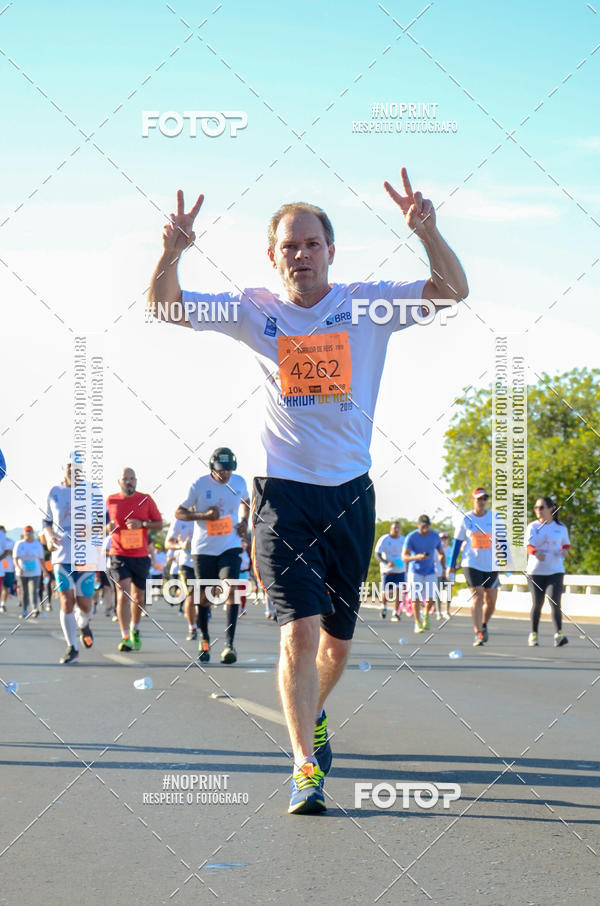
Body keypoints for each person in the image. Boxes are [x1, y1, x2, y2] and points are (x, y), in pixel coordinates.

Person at [147, 168, 468, 814]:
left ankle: (311, 713)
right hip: (283, 497)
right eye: (288, 245)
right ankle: (302, 768)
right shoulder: (254, 310)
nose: (300, 254)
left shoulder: (367, 304)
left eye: (311, 243)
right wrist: (170, 253)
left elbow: (454, 289)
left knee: (337, 643)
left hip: (350, 496)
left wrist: (428, 232)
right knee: (300, 631)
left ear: (330, 251)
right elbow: (163, 306)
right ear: (273, 257)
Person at [175, 448, 250, 664]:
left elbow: (246, 501)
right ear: (212, 467)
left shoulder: (239, 482)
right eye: (220, 470)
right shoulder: (199, 485)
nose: (225, 474)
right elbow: (179, 512)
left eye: (228, 470)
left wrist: (244, 522)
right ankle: (205, 640)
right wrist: (203, 515)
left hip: (230, 545)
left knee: (232, 589)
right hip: (203, 549)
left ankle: (229, 644)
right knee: (204, 597)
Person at [43, 457, 95, 664]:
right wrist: (48, 536)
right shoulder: (54, 492)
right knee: (66, 600)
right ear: (63, 469)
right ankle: (72, 647)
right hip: (61, 554)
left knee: (84, 604)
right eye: (70, 468)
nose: (74, 472)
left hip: (85, 555)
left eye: (78, 469)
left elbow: (106, 520)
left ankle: (83, 623)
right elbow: (46, 521)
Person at [107, 467, 163, 652]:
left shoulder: (145, 499)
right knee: (123, 593)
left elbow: (159, 523)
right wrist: (108, 528)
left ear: (136, 481)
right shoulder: (111, 500)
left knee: (138, 597)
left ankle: (134, 629)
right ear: (119, 482)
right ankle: (125, 636)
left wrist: (143, 524)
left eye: (132, 478)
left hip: (140, 555)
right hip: (118, 553)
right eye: (125, 479)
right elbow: (100, 525)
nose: (129, 481)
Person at [448, 487, 507, 647]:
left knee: (491, 601)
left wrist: (506, 558)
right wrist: (451, 565)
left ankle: (484, 624)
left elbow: (503, 541)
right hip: (471, 563)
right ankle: (478, 632)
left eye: (484, 499)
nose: (481, 502)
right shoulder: (466, 518)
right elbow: (457, 542)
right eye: (478, 499)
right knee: (478, 595)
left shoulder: (495, 517)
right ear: (473, 500)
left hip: (491, 563)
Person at [525, 497, 570, 647]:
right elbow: (528, 546)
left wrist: (565, 551)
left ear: (551, 509)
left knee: (554, 601)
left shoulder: (561, 527)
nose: (538, 510)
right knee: (537, 603)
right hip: (535, 571)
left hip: (555, 570)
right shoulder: (532, 527)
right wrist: (536, 552)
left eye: (541, 507)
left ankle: (559, 634)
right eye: (536, 508)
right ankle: (533, 634)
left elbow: (566, 545)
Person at [403, 516, 446, 632]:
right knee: (415, 598)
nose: (425, 529)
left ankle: (426, 614)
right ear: (418, 525)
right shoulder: (411, 537)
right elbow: (404, 556)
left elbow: (441, 552)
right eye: (423, 527)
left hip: (430, 571)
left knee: (431, 597)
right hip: (415, 571)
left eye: (427, 526)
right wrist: (417, 557)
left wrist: (443, 566)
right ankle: (417, 623)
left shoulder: (435, 536)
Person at [165, 516, 196, 639]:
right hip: (186, 563)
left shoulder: (210, 513)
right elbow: (167, 543)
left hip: (205, 560)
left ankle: (199, 613)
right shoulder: (180, 518)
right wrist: (181, 545)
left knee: (204, 596)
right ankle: (192, 627)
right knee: (191, 594)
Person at [374, 521, 406, 620]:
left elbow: (407, 553)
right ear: (390, 529)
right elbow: (377, 554)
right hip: (387, 570)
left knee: (399, 591)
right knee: (386, 592)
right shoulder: (384, 539)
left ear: (400, 529)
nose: (396, 530)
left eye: (398, 528)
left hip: (400, 570)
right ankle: (384, 607)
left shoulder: (403, 540)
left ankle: (395, 613)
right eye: (394, 528)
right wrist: (386, 562)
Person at [13, 525, 45, 619]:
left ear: (32, 533)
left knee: (34, 590)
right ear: (24, 533)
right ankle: (24, 610)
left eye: (30, 532)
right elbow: (15, 558)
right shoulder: (19, 544)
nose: (28, 534)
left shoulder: (37, 544)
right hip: (22, 572)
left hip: (35, 572)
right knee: (24, 591)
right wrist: (18, 567)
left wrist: (45, 571)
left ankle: (35, 609)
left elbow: (41, 558)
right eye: (26, 532)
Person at [434, 531, 451, 619]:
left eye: (445, 538)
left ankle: (447, 611)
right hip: (438, 573)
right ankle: (438, 612)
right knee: (438, 593)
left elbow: (453, 562)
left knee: (449, 593)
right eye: (442, 539)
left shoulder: (450, 549)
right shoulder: (436, 550)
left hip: (448, 574)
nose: (443, 540)